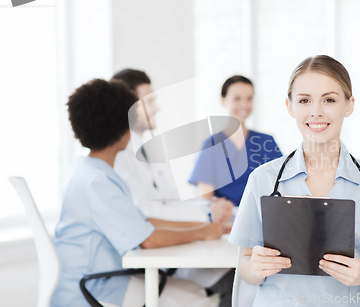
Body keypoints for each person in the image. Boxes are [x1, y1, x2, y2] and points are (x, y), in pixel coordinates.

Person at [228, 55, 360, 307]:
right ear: (290, 106)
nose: (316, 111)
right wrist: (256, 268)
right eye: (304, 100)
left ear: (348, 105)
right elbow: (245, 266)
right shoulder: (262, 180)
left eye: (329, 100)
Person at [51, 79, 225, 307]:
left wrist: (208, 228)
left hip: (99, 279)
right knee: (200, 300)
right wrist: (202, 232)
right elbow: (149, 240)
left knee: (195, 291)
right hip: (96, 288)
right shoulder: (99, 182)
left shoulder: (92, 172)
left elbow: (143, 223)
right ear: (123, 129)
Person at [111, 68, 234, 307]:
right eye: (150, 101)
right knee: (233, 281)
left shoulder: (142, 150)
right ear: (129, 105)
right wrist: (207, 215)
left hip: (169, 254)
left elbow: (170, 200)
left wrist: (209, 206)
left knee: (235, 275)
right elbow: (147, 213)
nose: (157, 108)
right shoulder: (120, 157)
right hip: (152, 261)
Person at [189, 75, 283, 209]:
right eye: (237, 99)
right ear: (223, 100)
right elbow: (205, 199)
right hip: (226, 222)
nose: (244, 105)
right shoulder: (211, 145)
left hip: (262, 218)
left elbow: (282, 185)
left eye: (249, 98)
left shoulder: (266, 142)